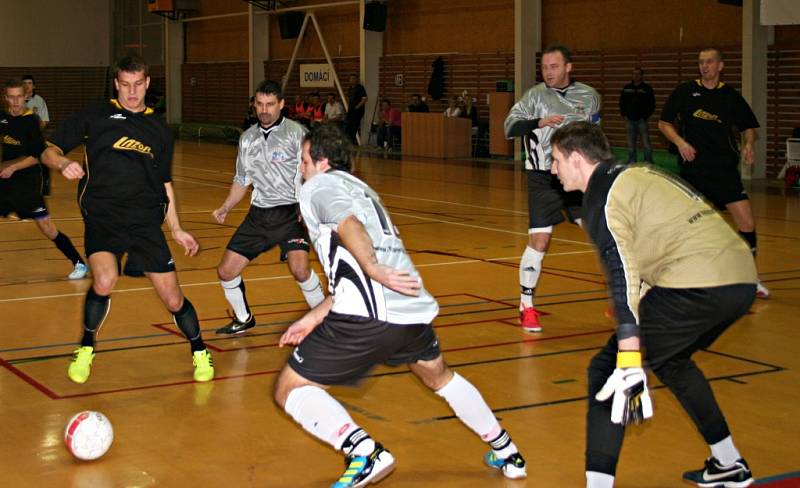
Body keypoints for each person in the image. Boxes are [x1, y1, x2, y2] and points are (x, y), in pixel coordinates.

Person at [273, 124, 527, 487]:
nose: (300, 168)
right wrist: (313, 317)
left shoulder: (319, 186)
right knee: (440, 377)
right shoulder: (364, 190)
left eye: (303, 160)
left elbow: (349, 226)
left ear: (322, 162)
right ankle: (508, 453)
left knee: (291, 388)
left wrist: (373, 268)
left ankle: (364, 452)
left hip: (369, 316)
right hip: (409, 310)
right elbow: (352, 265)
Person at [549, 121, 756, 488]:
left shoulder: (602, 196)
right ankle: (728, 462)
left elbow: (621, 269)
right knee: (671, 361)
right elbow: (658, 240)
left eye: (556, 160)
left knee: (606, 372)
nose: (553, 169)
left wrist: (628, 356)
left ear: (577, 159)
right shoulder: (635, 173)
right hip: (739, 279)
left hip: (697, 283)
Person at [40, 55, 214, 384]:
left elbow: (165, 181)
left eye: (138, 85)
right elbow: (48, 149)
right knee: (104, 280)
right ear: (116, 83)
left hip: (145, 222)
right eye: (125, 85)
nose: (132, 92)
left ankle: (199, 349)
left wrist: (176, 227)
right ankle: (87, 346)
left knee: (173, 297)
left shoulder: (159, 128)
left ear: (148, 83)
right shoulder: (95, 115)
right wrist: (63, 164)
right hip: (103, 215)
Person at [212, 80, 324, 335]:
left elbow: (314, 173)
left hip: (291, 214)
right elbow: (242, 179)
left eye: (270, 104)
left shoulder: (297, 134)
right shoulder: (247, 138)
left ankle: (324, 321)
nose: (264, 110)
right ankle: (244, 318)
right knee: (226, 271)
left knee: (300, 269)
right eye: (260, 104)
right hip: (259, 215)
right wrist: (226, 206)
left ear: (282, 105)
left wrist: (310, 207)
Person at [503, 44, 601, 332]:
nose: (548, 72)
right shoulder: (534, 96)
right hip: (543, 176)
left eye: (554, 66)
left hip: (577, 179)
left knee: (601, 235)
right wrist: (537, 122)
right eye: (545, 67)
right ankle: (526, 305)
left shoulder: (590, 97)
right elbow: (508, 127)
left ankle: (622, 299)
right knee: (540, 241)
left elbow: (595, 134)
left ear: (568, 67)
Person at [659, 47, 769, 299]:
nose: (704, 66)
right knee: (684, 227)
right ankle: (671, 277)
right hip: (694, 170)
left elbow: (749, 127)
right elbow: (664, 123)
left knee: (747, 223)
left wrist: (749, 144)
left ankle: (750, 279)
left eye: (709, 62)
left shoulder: (730, 96)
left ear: (720, 66)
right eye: (701, 62)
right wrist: (680, 142)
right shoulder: (685, 91)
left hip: (724, 170)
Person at [1, 78, 87, 280]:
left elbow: (38, 156)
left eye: (19, 97)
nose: (15, 102)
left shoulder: (31, 121)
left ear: (26, 97)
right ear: (6, 98)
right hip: (5, 181)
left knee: (47, 228)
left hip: (28, 183)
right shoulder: (2, 119)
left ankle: (79, 263)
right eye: (11, 97)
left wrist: (13, 167)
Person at [22, 75, 52, 195]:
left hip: (36, 137)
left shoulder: (39, 101)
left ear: (34, 86)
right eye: (24, 83)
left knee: (44, 160)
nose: (27, 86)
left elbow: (45, 120)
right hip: (20, 138)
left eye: (29, 83)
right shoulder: (17, 100)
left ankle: (45, 186)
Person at [619, 67, 655, 163]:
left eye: (638, 74)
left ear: (641, 76)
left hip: (642, 120)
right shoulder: (626, 88)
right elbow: (621, 102)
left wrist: (645, 116)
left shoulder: (647, 89)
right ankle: (632, 161)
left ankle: (648, 161)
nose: (636, 76)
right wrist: (624, 115)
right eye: (634, 74)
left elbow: (652, 104)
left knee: (646, 143)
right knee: (630, 143)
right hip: (629, 120)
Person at [345, 74, 367, 144]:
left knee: (354, 126)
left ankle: (352, 141)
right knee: (348, 125)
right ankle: (347, 140)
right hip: (350, 110)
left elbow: (365, 99)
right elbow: (348, 98)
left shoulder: (360, 88)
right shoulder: (350, 88)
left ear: (356, 80)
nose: (351, 80)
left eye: (353, 79)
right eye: (350, 79)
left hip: (357, 111)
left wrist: (357, 107)